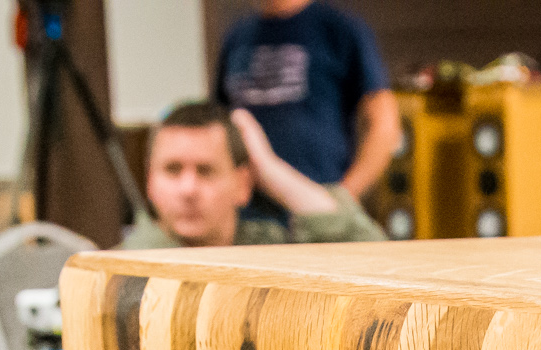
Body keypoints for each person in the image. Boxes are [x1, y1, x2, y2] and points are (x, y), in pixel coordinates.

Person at [212, 0, 397, 222]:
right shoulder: (237, 36)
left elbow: (384, 124)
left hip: (318, 214)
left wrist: (345, 197)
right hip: (249, 219)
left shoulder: (339, 28)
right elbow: (219, 127)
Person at [122, 102, 385, 249]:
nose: (188, 189)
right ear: (150, 182)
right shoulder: (126, 265)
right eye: (172, 170)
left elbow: (373, 252)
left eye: (206, 171)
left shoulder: (265, 251)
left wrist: (271, 169)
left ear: (242, 184)